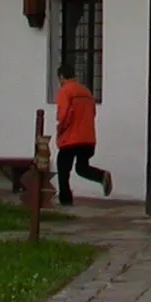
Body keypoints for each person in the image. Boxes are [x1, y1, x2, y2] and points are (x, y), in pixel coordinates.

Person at [54, 71, 112, 204]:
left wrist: (60, 130)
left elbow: (63, 115)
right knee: (82, 167)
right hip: (88, 138)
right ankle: (101, 175)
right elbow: (93, 113)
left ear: (62, 77)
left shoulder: (65, 91)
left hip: (70, 138)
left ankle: (65, 200)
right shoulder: (86, 92)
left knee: (63, 169)